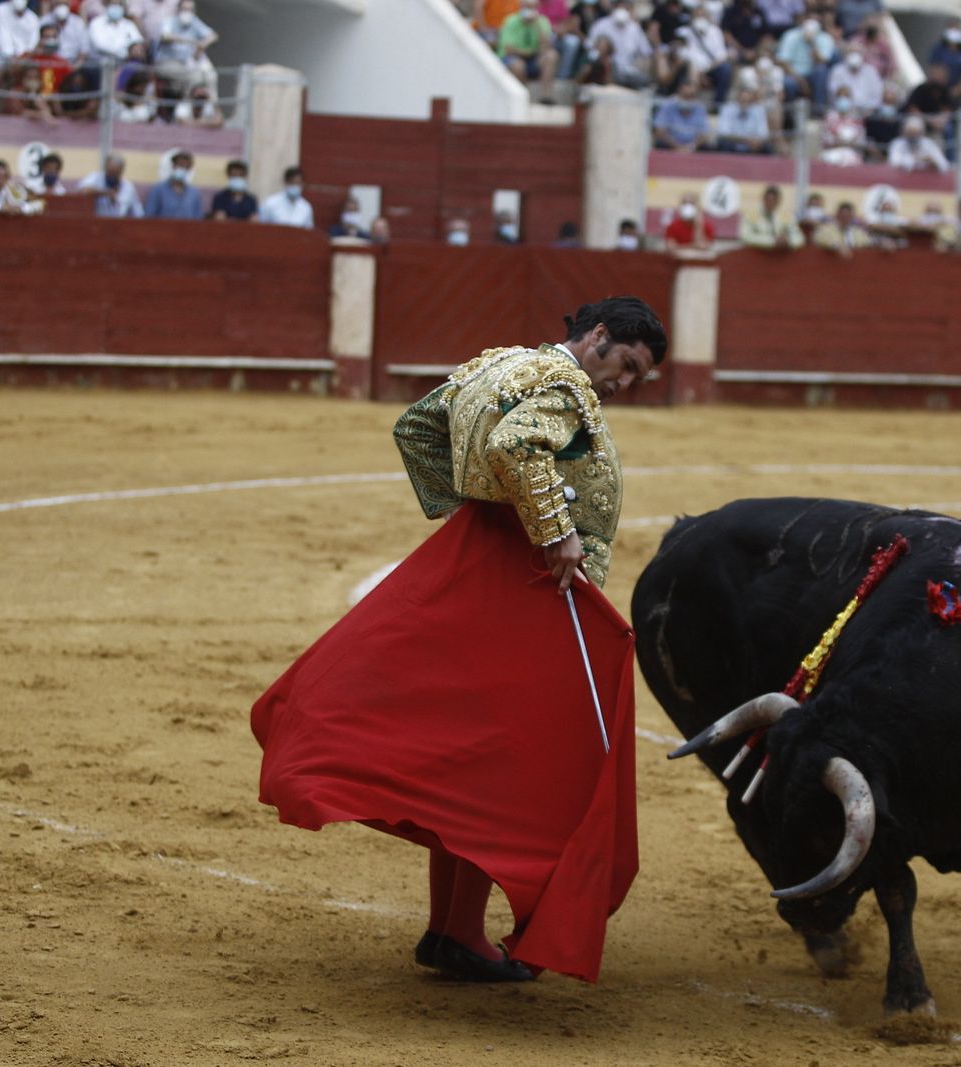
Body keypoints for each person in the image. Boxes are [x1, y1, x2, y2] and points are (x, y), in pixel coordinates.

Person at [251, 297, 664, 983]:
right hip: (525, 583)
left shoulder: (501, 361)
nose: (625, 382)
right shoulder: (565, 386)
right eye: (625, 363)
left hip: (477, 559)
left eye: (639, 377)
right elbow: (513, 445)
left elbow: (419, 426)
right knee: (508, 761)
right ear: (595, 337)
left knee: (472, 756)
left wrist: (472, 509)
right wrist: (550, 530)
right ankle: (459, 931)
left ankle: (452, 931)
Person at [496, 1, 558, 90]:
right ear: (522, 6)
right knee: (518, 65)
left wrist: (537, 26)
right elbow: (509, 50)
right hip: (511, 59)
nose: (530, 10)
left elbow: (547, 47)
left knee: (551, 56)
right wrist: (532, 52)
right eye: (527, 7)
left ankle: (546, 96)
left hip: (532, 60)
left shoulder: (542, 21)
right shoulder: (511, 21)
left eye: (532, 7)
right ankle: (524, 95)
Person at [740, 183, 804, 250]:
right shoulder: (751, 215)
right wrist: (772, 241)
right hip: (757, 254)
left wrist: (789, 241)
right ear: (763, 199)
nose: (771, 203)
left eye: (774, 200)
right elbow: (745, 236)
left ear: (778, 201)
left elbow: (799, 237)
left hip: (779, 255)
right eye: (769, 200)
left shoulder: (786, 216)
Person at [652, 77, 710, 150]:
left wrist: (692, 146)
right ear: (679, 93)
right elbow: (659, 130)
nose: (688, 99)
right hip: (671, 145)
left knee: (708, 147)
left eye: (691, 96)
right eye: (686, 96)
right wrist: (677, 146)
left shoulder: (700, 108)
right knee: (659, 144)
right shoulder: (668, 105)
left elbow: (704, 134)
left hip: (692, 147)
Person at [77, 154, 143, 217]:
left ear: (121, 171)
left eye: (115, 173)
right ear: (105, 168)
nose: (112, 176)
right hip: (97, 224)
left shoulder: (128, 187)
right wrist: (106, 193)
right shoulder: (95, 178)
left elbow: (138, 213)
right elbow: (83, 191)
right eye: (110, 172)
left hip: (119, 225)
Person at [145, 149, 202, 219]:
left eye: (186, 167)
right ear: (173, 166)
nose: (183, 169)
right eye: (180, 165)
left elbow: (198, 218)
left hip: (187, 229)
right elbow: (149, 215)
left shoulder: (194, 193)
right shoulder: (158, 190)